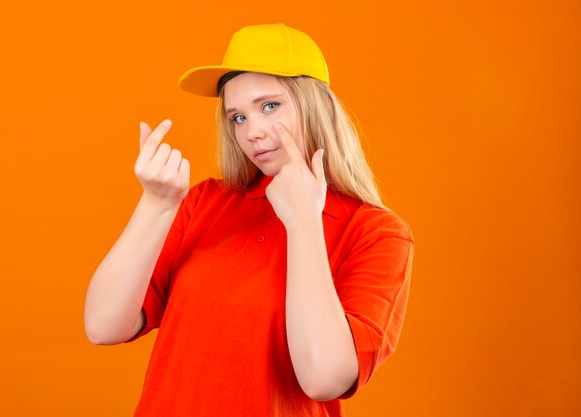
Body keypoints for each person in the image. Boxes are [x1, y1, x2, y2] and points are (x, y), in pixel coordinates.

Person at [84, 23, 415, 417]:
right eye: (237, 117)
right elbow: (103, 326)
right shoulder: (205, 202)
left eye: (270, 106)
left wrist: (303, 221)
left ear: (318, 106)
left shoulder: (376, 233)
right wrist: (156, 205)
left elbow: (325, 377)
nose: (252, 132)